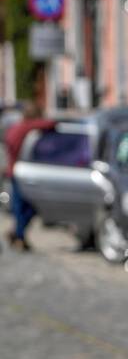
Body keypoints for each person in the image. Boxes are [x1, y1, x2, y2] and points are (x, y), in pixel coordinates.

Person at [4, 101, 54, 250]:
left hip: (16, 170)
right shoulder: (26, 127)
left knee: (24, 206)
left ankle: (17, 234)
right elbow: (48, 124)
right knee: (25, 206)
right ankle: (19, 236)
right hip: (21, 171)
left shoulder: (16, 128)